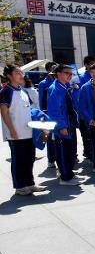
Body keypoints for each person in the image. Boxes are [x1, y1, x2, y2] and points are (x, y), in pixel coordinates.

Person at [1, 65, 46, 195]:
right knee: (19, 161)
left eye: (21, 72)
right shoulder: (6, 91)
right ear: (9, 75)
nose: (21, 75)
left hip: (29, 132)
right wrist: (12, 130)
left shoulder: (23, 91)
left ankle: (30, 183)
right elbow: (4, 113)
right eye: (17, 73)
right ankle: (20, 187)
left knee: (30, 159)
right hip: (15, 134)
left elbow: (31, 111)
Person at [47, 64, 82, 185]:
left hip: (69, 123)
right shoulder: (55, 89)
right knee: (63, 151)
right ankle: (65, 177)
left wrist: (75, 90)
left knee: (69, 150)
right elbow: (54, 111)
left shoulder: (65, 86)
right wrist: (61, 126)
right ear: (58, 73)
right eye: (67, 73)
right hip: (62, 125)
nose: (70, 76)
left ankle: (68, 172)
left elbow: (73, 103)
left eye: (71, 73)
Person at [37, 62, 58, 168]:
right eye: (53, 69)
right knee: (50, 138)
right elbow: (41, 101)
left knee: (59, 137)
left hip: (59, 114)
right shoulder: (43, 84)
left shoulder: (60, 82)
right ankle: (51, 160)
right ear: (48, 70)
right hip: (48, 114)